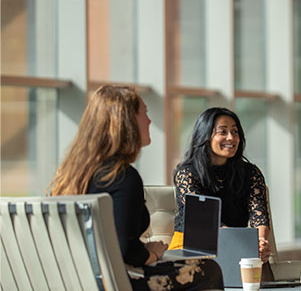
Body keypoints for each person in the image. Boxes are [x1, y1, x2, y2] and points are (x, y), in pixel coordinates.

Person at [48, 85, 223, 290]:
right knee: (208, 269)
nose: (149, 120)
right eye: (145, 112)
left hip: (77, 282)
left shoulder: (69, 177)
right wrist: (153, 253)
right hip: (118, 284)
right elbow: (127, 250)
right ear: (127, 121)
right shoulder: (122, 177)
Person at [169, 107, 271, 263]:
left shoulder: (251, 173)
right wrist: (241, 244)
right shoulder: (187, 173)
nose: (231, 138)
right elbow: (204, 220)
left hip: (236, 248)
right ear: (205, 136)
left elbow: (260, 216)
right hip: (191, 249)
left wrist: (260, 244)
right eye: (222, 132)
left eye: (235, 132)